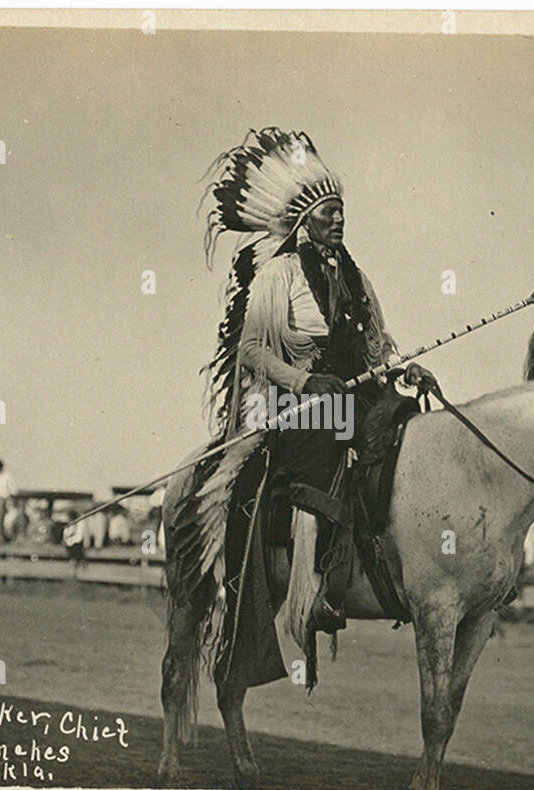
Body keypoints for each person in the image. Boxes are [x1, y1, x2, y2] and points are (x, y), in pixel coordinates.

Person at [194, 128, 489, 643]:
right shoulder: (279, 275)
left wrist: (404, 369)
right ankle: (312, 591)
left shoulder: (356, 278)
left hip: (359, 394)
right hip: (300, 403)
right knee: (325, 449)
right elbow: (252, 351)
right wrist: (307, 382)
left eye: (341, 211)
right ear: (305, 220)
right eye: (328, 212)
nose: (339, 219)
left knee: (407, 435)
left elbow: (377, 347)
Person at [0, 458, 18, 543]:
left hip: (2, 499)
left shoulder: (6, 476)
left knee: (1, 520)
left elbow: (13, 490)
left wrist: (10, 499)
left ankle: (2, 540)